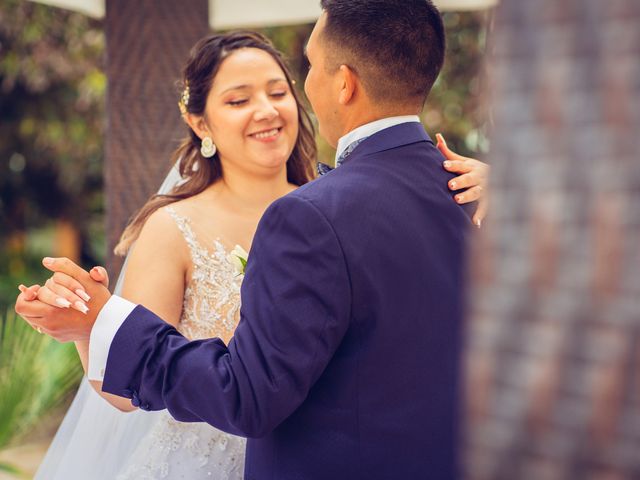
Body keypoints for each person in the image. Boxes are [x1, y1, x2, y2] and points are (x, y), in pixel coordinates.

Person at [17, 1, 487, 478]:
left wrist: (109, 321)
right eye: (239, 100)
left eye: (291, 80)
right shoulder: (468, 196)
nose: (269, 109)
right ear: (201, 123)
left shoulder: (313, 215)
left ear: (344, 83)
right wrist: (90, 328)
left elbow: (248, 395)